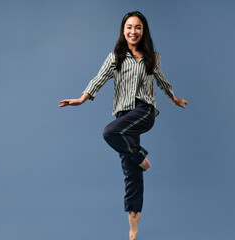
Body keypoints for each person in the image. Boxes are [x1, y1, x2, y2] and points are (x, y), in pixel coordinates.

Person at [59, 11, 188, 240]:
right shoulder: (115, 57)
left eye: (137, 27)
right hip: (123, 114)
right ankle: (133, 216)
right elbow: (98, 79)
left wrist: (174, 98)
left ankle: (140, 156)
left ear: (143, 30)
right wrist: (81, 99)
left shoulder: (152, 57)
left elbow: (162, 81)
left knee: (110, 133)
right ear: (123, 30)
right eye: (129, 27)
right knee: (130, 168)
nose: (133, 32)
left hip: (144, 110)